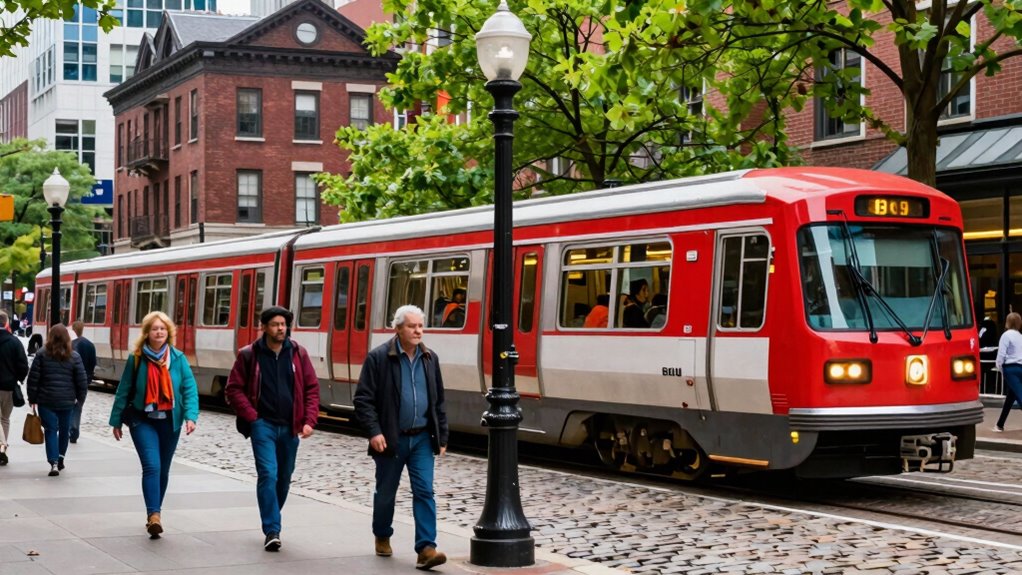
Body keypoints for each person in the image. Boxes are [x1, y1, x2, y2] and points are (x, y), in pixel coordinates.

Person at [354, 304, 449, 571]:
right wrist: (374, 431)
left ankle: (426, 549)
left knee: (425, 490)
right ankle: (382, 534)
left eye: (420, 326)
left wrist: (442, 435)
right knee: (386, 492)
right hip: (391, 439)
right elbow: (363, 400)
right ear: (397, 329)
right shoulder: (379, 358)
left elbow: (439, 400)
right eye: (411, 326)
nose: (418, 331)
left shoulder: (430, 358)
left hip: (422, 438)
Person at [225, 306, 319, 552]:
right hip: (263, 425)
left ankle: (272, 516)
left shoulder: (298, 353)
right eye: (276, 324)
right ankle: (272, 529)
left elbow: (311, 388)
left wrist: (309, 420)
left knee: (284, 478)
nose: (281, 329)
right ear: (264, 327)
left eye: (283, 324)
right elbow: (233, 389)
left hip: (290, 427)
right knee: (268, 474)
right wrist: (253, 418)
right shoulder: (249, 354)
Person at [108, 311, 198, 539]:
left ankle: (156, 511)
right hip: (142, 419)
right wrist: (116, 420)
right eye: (155, 329)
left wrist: (191, 416)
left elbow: (189, 389)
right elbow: (124, 390)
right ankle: (154, 515)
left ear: (168, 332)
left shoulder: (178, 358)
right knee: (152, 466)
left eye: (163, 328)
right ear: (147, 333)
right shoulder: (136, 359)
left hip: (170, 422)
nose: (159, 332)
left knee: (163, 470)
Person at [26, 324, 87, 477]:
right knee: (64, 431)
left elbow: (33, 379)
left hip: (46, 401)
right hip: (67, 401)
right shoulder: (74, 356)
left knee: (51, 430)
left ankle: (53, 462)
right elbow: (82, 381)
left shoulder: (41, 354)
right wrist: (80, 399)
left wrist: (32, 398)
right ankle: (60, 458)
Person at [0, 311, 29, 466]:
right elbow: (23, 366)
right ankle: (3, 448)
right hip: (9, 387)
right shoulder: (14, 342)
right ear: (6, 323)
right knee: (5, 419)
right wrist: (17, 379)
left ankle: (2, 445)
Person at [994, 312, 1022, 432]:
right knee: (1011, 397)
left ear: (1008, 322)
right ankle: (1000, 424)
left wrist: (1000, 368)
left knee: (1020, 396)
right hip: (1021, 367)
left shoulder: (1005, 335)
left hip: (1010, 368)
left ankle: (999, 425)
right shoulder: (1020, 336)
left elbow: (1001, 355)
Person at [69, 321, 96, 444]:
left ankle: (71, 428)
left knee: (70, 405)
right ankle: (74, 428)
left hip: (72, 379)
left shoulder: (71, 344)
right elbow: (93, 363)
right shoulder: (90, 345)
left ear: (73, 329)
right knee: (78, 405)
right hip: (84, 380)